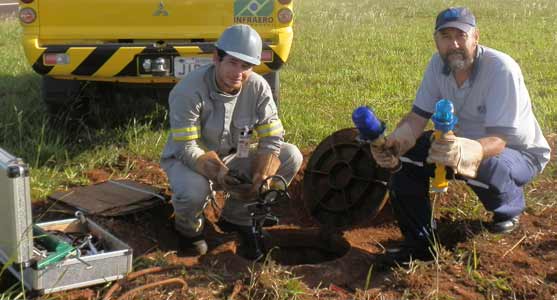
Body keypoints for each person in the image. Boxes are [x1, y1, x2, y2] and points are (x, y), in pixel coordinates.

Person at [370, 7, 551, 265]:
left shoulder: (501, 69)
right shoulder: (437, 65)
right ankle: (420, 242)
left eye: (461, 35)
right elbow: (417, 118)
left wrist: (467, 152)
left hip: (518, 152)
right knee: (405, 161)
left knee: (485, 165)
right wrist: (397, 143)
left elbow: (500, 140)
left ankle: (508, 210)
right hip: (458, 142)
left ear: (475, 37)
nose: (453, 44)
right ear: (436, 40)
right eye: (445, 36)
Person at [160, 24, 303, 259]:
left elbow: (272, 138)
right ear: (216, 58)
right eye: (233, 63)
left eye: (246, 66)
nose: (238, 72)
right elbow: (186, 147)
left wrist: (260, 178)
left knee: (291, 156)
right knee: (193, 192)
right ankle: (189, 233)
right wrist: (220, 174)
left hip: (235, 156)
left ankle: (236, 217)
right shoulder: (188, 91)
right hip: (190, 161)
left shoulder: (258, 87)